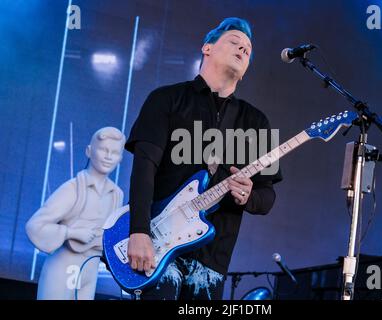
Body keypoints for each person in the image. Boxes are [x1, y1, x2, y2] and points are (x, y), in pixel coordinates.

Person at [125, 17, 282, 300]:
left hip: (212, 262)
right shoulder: (167, 99)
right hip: (158, 248)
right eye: (234, 42)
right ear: (207, 48)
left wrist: (249, 196)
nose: (243, 49)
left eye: (247, 49)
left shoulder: (256, 122)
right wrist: (139, 230)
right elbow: (143, 169)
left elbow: (267, 196)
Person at [26, 127, 125, 299]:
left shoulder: (117, 194)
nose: (108, 156)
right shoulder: (72, 189)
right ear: (89, 151)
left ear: (120, 158)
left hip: (90, 271)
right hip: (63, 269)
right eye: (103, 150)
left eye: (115, 152)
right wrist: (71, 233)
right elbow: (35, 226)